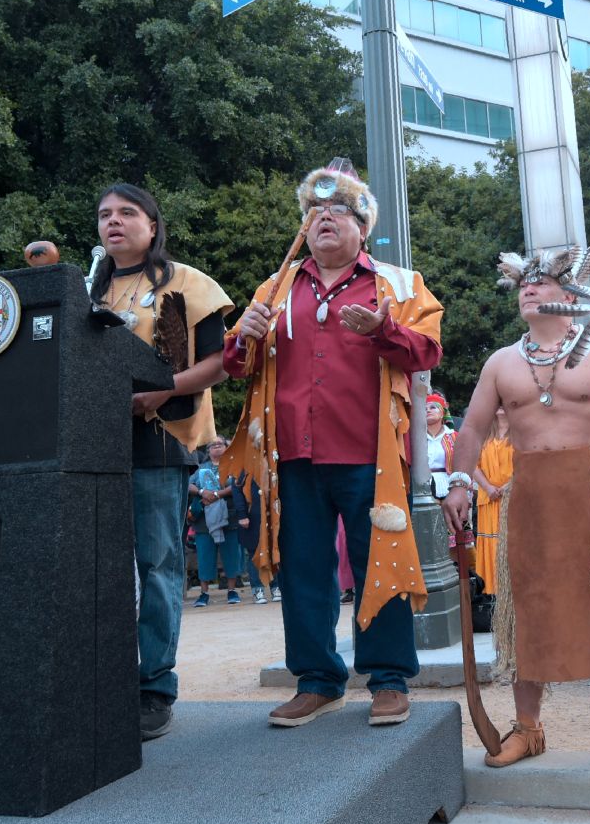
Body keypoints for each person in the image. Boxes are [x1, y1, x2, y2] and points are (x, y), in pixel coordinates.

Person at [221, 158, 443, 729]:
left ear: (362, 227)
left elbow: (427, 354)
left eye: (339, 211)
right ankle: (318, 680)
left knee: (381, 561)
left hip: (371, 456)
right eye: (315, 212)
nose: (324, 219)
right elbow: (239, 367)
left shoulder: (397, 283)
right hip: (292, 454)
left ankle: (389, 679)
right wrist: (239, 340)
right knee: (304, 568)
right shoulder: (275, 288)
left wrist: (384, 330)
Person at [441, 247, 590, 776]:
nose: (529, 289)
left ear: (570, 297)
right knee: (527, 611)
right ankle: (529, 728)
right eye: (525, 283)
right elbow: (471, 428)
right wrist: (457, 482)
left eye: (541, 282)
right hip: (532, 497)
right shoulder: (501, 362)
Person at [93, 183, 233, 740]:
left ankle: (153, 686)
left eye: (128, 213)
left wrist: (160, 390)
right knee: (96, 566)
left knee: (157, 563)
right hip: (91, 445)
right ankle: (96, 679)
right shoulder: (84, 290)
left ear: (153, 225)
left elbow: (221, 362)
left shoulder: (186, 282)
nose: (115, 222)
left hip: (159, 436)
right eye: (105, 215)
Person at [188, 437, 246, 607]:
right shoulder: (201, 469)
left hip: (230, 515)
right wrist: (201, 491)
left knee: (231, 554)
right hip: (205, 519)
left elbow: (238, 484)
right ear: (208, 450)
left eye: (220, 444)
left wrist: (216, 495)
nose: (217, 447)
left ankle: (232, 590)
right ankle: (204, 593)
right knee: (205, 555)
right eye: (213, 445)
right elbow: (188, 484)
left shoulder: (233, 465)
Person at [472, 407, 513, 595]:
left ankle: (512, 589)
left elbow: (529, 462)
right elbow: (473, 464)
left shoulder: (521, 431)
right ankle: (492, 591)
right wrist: (488, 488)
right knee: (491, 543)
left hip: (514, 497)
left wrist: (510, 485)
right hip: (489, 498)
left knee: (511, 541)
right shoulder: (483, 432)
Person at [425, 392, 456, 473]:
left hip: (447, 482)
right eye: (424, 409)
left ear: (442, 413)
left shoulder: (454, 437)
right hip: (420, 482)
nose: (428, 410)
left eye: (433, 407)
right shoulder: (414, 437)